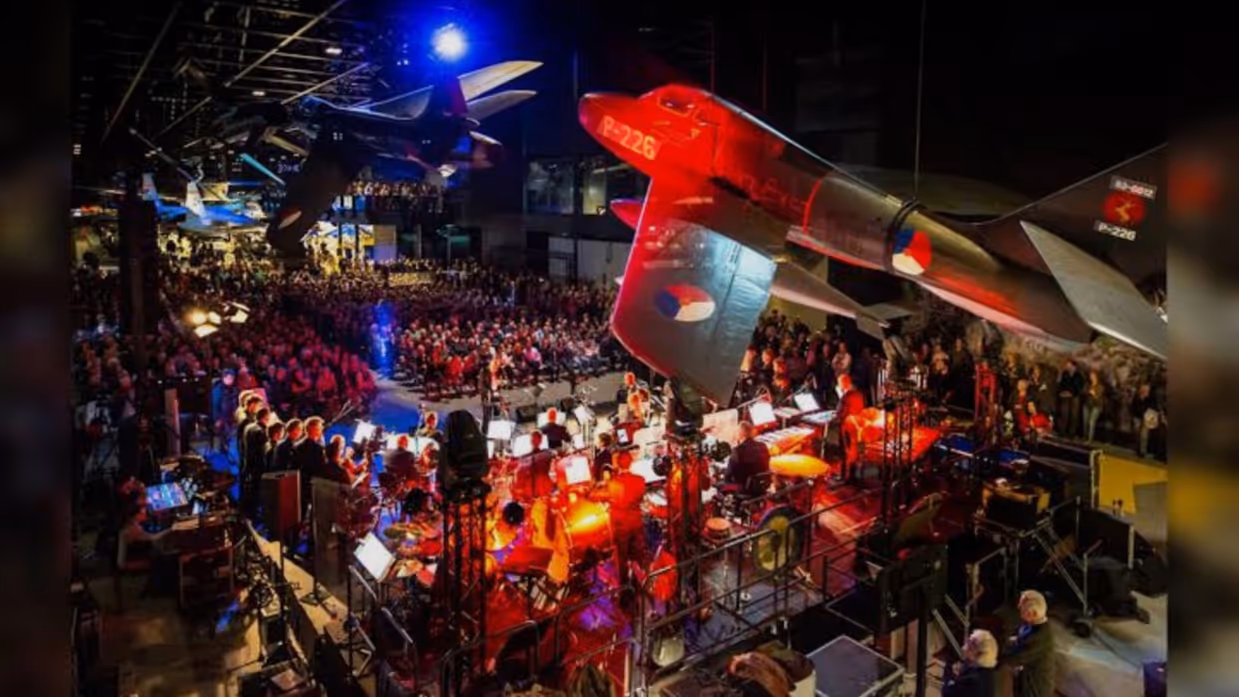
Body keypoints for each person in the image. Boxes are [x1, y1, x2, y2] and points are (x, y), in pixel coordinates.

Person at [589, 449, 646, 595]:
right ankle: (641, 583)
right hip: (636, 523)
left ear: (617, 464)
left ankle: (624, 592)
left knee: (621, 559)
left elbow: (595, 495)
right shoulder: (640, 480)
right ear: (631, 462)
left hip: (621, 527)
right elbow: (638, 497)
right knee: (638, 555)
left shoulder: (613, 483)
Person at [1003, 590, 1055, 697]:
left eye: (1022, 609)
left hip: (1034, 689)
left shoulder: (1039, 637)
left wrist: (993, 653)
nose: (1018, 608)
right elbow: (1019, 638)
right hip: (1024, 680)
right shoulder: (1032, 623)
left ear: (1033, 614)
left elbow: (1016, 658)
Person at [944, 629, 998, 697]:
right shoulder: (986, 672)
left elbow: (948, 692)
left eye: (969, 642)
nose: (964, 645)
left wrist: (952, 676)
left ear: (978, 652)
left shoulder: (972, 679)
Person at [726, 422, 771, 498]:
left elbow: (728, 476)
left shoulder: (737, 451)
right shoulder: (763, 446)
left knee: (720, 485)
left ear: (741, 433)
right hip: (762, 486)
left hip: (743, 489)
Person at [835, 374, 866, 482]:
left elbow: (840, 413)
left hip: (846, 427)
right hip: (856, 427)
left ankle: (844, 477)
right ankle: (852, 475)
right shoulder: (859, 394)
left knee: (844, 452)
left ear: (843, 383)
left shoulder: (846, 396)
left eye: (839, 383)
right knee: (854, 452)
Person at [1056, 360, 1084, 438]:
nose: (1067, 366)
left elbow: (1079, 387)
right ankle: (1062, 432)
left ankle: (1071, 433)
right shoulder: (1065, 374)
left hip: (1074, 397)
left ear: (1073, 366)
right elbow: (1062, 384)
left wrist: (1071, 393)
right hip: (1065, 396)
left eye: (1068, 365)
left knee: (1073, 416)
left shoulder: (1078, 376)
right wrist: (1062, 392)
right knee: (1064, 414)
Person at [1081, 370, 1106, 443]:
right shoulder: (1088, 385)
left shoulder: (1100, 387)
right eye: (1090, 376)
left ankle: (1089, 439)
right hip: (1087, 405)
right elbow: (1083, 392)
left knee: (1091, 422)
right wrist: (1087, 392)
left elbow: (1098, 397)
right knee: (1085, 422)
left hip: (1096, 406)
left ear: (1096, 377)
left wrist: (1093, 394)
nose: (1091, 377)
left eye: (1093, 376)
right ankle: (1085, 437)